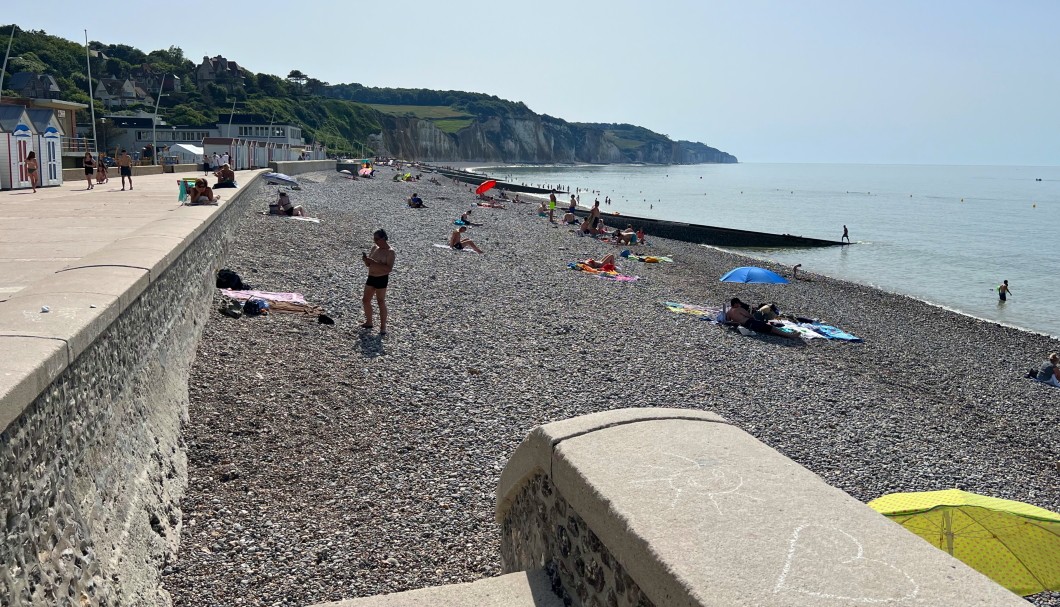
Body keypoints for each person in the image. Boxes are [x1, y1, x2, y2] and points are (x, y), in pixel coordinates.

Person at [361, 229, 395, 336]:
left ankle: (383, 327)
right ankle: (369, 321)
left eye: (377, 239)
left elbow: (388, 268)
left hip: (381, 278)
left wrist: (374, 263)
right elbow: (369, 265)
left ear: (383, 238)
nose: (375, 241)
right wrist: (366, 261)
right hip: (371, 277)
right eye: (374, 238)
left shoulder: (390, 252)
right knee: (366, 300)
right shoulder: (375, 248)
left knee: (380, 302)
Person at [725, 297, 796, 338]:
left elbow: (728, 321)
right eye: (738, 303)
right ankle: (789, 335)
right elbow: (750, 316)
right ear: (735, 304)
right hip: (750, 322)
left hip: (746, 325)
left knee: (768, 328)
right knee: (771, 328)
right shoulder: (739, 309)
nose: (739, 304)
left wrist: (738, 322)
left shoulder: (729, 312)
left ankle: (787, 334)